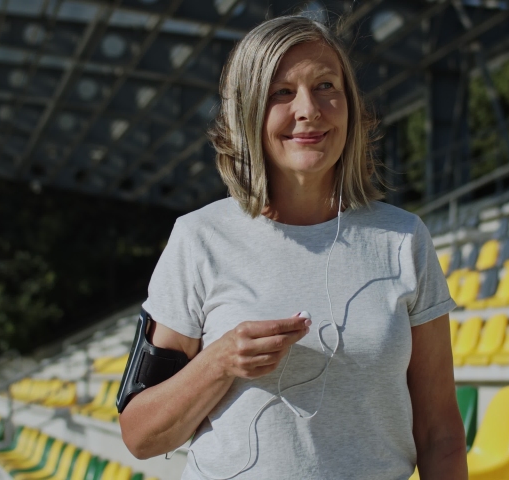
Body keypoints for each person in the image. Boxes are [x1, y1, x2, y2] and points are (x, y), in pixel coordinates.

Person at [119, 15, 467, 480]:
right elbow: (141, 436)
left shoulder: (404, 239)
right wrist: (220, 362)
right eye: (281, 92)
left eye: (326, 86)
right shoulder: (199, 238)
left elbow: (441, 433)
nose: (309, 109)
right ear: (248, 111)